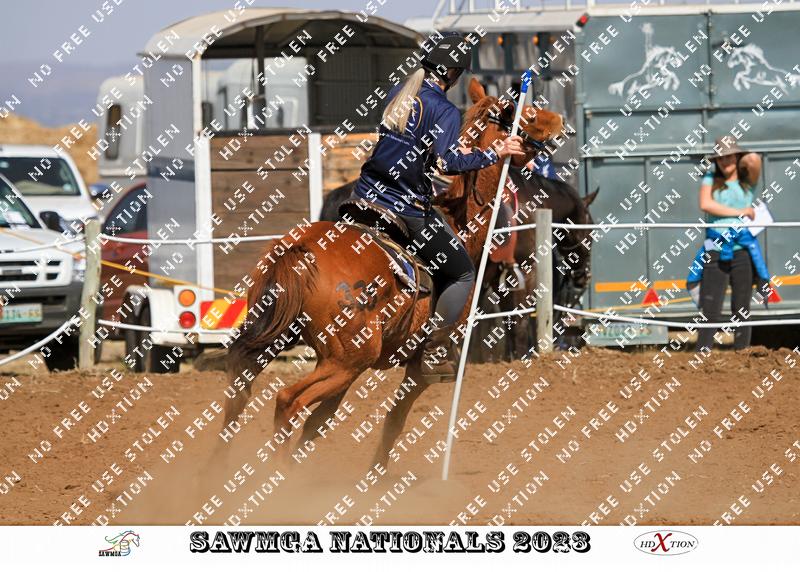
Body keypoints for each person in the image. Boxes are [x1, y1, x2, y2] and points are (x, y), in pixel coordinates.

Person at [351, 31, 525, 382]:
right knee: (462, 273)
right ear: (453, 73)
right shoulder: (444, 109)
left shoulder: (398, 93)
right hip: (406, 208)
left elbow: (410, 150)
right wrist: (495, 152)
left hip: (363, 198)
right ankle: (434, 349)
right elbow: (448, 164)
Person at [691, 136, 770, 352]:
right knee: (710, 306)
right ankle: (702, 353)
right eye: (720, 158)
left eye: (729, 157)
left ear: (737, 157)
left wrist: (740, 156)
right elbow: (706, 204)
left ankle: (742, 352)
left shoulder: (747, 180)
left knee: (742, 306)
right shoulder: (710, 178)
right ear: (715, 161)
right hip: (715, 248)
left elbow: (754, 159)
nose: (725, 162)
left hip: (742, 251)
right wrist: (740, 211)